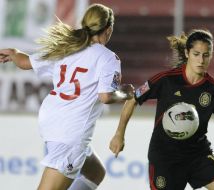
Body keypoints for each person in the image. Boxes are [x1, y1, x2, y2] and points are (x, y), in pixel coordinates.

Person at [0, 3, 134, 190]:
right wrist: (126, 93)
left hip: (51, 121)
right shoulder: (108, 58)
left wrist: (14, 53)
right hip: (71, 132)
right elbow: (105, 96)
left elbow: (25, 62)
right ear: (109, 29)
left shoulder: (68, 46)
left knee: (95, 173)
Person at [109, 29, 214, 190]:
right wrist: (119, 134)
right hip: (165, 158)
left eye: (206, 55)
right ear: (187, 53)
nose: (201, 60)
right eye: (196, 54)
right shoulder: (166, 80)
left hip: (198, 156)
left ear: (211, 55)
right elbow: (132, 99)